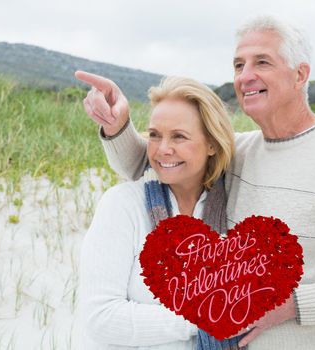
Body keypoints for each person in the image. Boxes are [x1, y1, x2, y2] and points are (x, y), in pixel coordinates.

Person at [77, 15, 315, 350]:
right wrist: (116, 124)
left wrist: (293, 304)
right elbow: (156, 163)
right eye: (238, 65)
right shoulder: (240, 150)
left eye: (262, 62)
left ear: (300, 74)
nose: (245, 76)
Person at [78, 75, 240, 349]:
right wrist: (203, 316)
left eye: (179, 136)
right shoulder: (123, 205)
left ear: (212, 144)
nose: (163, 149)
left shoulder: (234, 209)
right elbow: (101, 318)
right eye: (154, 135)